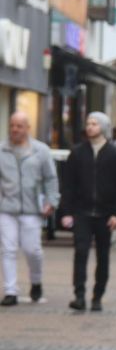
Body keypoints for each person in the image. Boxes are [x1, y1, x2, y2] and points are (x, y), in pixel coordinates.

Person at [60, 112, 116, 312]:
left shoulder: (115, 154)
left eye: (94, 123)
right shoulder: (77, 153)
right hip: (82, 211)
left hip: (105, 213)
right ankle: (79, 295)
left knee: (103, 256)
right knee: (81, 252)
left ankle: (97, 296)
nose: (90, 127)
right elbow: (68, 184)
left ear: (103, 127)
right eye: (88, 123)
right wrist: (67, 211)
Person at [0, 112, 59, 306]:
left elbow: (51, 178)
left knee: (32, 250)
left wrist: (51, 200)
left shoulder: (40, 150)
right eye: (12, 125)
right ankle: (10, 291)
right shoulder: (2, 149)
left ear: (27, 128)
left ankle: (36, 282)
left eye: (19, 126)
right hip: (7, 208)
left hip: (32, 208)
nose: (15, 129)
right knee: (8, 249)